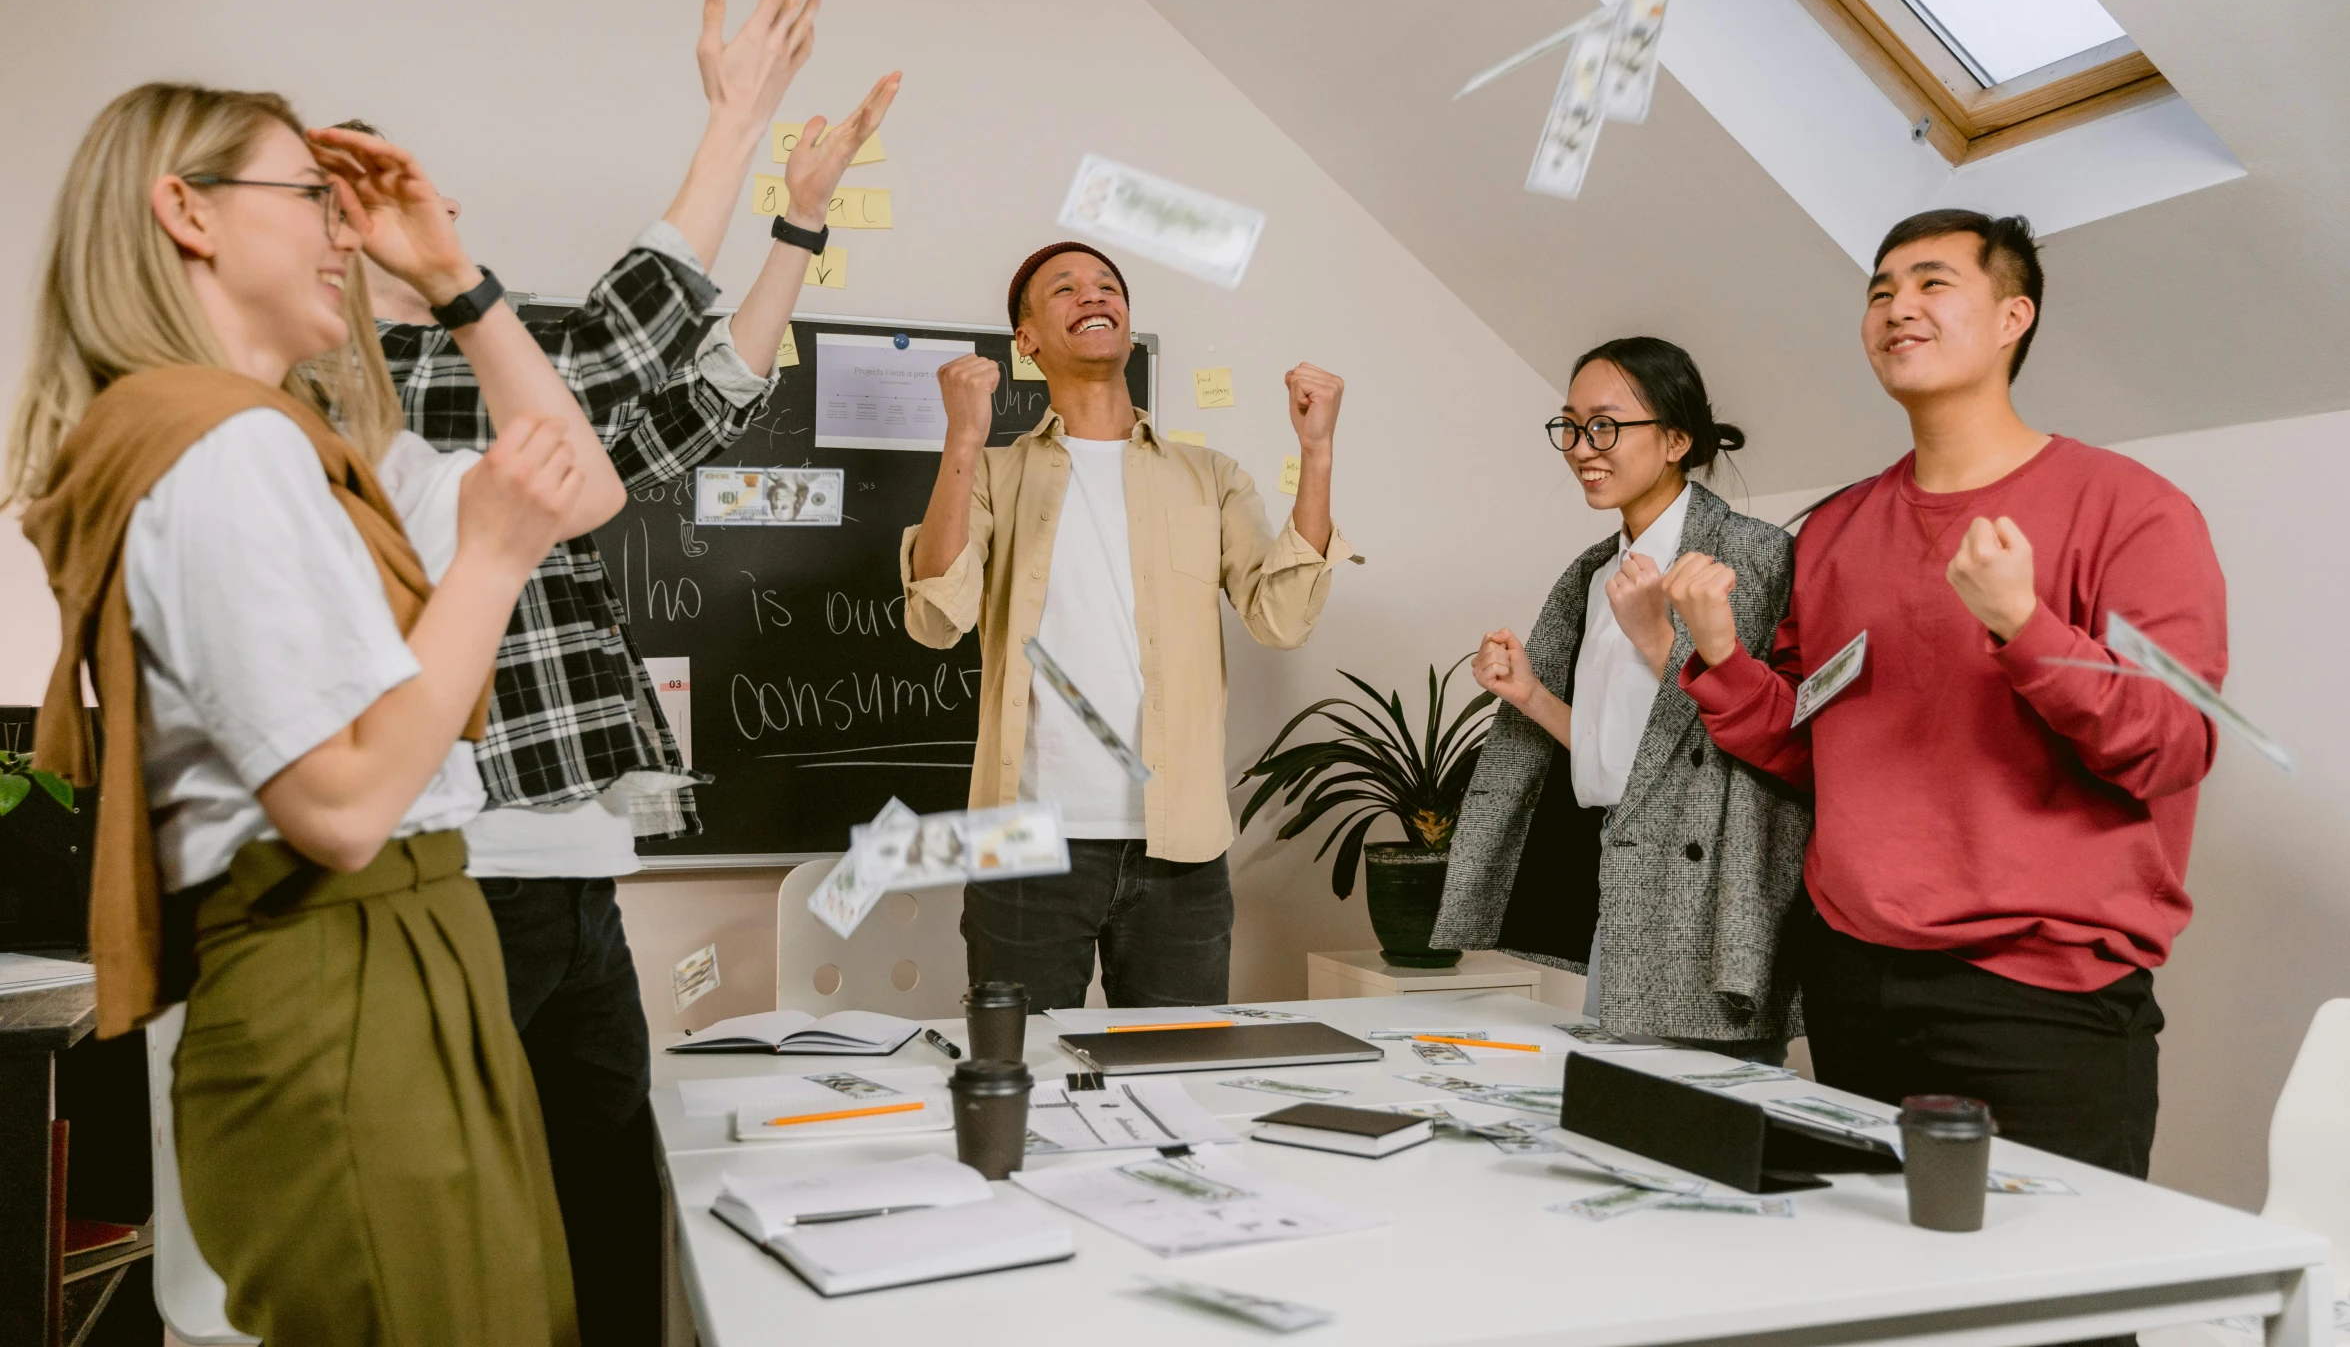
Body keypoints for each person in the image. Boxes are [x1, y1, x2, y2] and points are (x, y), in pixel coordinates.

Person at [349, 0, 900, 1344]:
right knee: (491, 1211)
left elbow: (690, 411)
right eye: (416, 218)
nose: (450, 228)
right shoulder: (361, 387)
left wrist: (799, 223)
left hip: (566, 855)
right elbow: (609, 353)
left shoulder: (491, 353)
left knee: (603, 1182)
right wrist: (733, 124)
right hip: (473, 867)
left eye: (448, 213)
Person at [10, 83, 615, 1343]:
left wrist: (450, 272)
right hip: (346, 957)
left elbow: (577, 481)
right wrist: (490, 563)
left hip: (389, 952)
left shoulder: (250, 436)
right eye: (311, 204)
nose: (344, 237)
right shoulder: (221, 444)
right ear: (187, 211)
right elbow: (339, 804)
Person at [1664, 209, 2228, 1178]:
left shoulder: (2131, 509)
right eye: (1879, 290)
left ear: (2014, 317)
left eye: (1931, 283)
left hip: (2039, 998)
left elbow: (2172, 743)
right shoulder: (1836, 528)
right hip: (1850, 978)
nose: (1896, 307)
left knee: (2052, 1314)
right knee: (1884, 1298)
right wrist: (1721, 659)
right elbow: (1817, 750)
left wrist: (2026, 628)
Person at [901, 242, 1354, 1008]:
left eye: (1107, 284)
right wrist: (962, 438)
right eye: (1065, 288)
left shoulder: (1209, 475)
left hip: (1181, 849)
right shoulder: (992, 473)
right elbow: (935, 619)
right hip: (1023, 848)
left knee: (1178, 1083)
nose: (1092, 294)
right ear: (1028, 340)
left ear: (1128, 320)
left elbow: (1281, 617)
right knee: (1026, 1089)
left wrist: (1316, 453)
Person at [1433, 338, 1808, 1057]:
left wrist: (1657, 640)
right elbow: (1626, 756)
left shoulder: (1753, 556)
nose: (1581, 448)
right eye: (1570, 426)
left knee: (1700, 1131)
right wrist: (1533, 695)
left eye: (1604, 425)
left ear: (1675, 438)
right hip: (1623, 882)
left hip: (1705, 902)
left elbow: (1767, 741)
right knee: (1622, 1122)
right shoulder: (1597, 571)